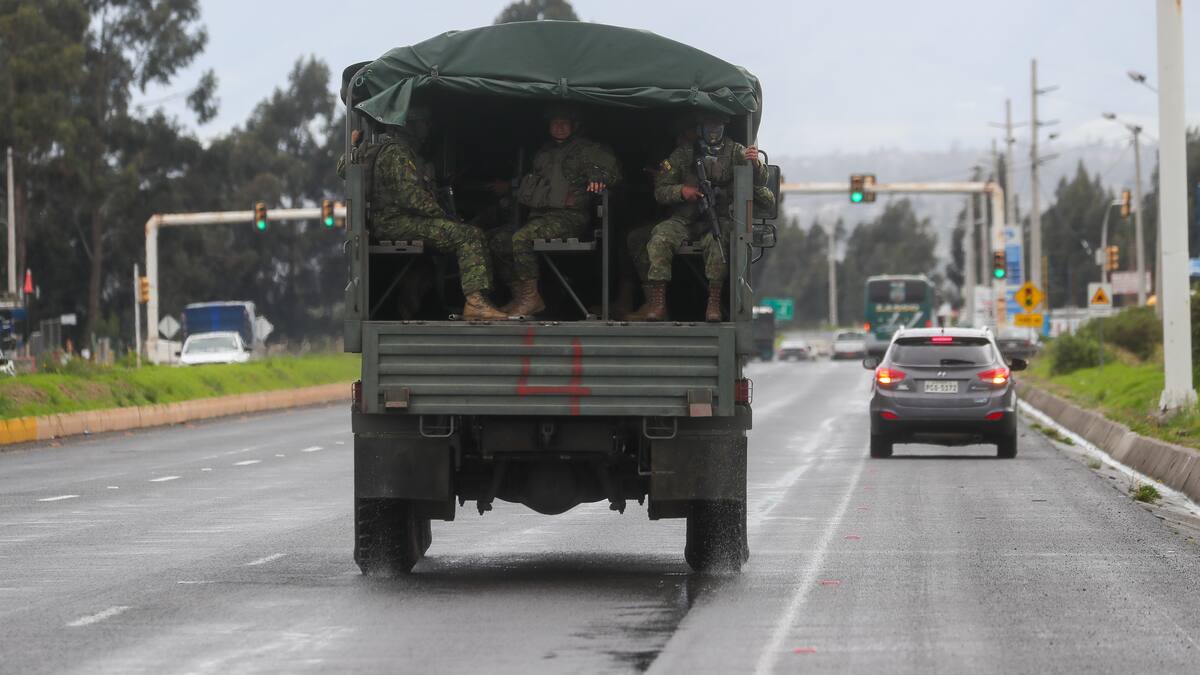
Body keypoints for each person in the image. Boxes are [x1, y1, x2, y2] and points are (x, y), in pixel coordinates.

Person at [340, 107, 507, 320]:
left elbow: (344, 167)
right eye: (423, 124)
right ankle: (476, 303)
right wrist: (441, 215)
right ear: (412, 126)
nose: (426, 130)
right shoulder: (398, 152)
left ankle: (478, 301)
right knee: (468, 236)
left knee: (467, 233)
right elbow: (409, 197)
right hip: (397, 222)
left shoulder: (385, 149)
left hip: (392, 221)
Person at [628, 113, 772, 322]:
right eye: (709, 126)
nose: (713, 131)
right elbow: (660, 191)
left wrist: (756, 164)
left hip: (717, 217)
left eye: (717, 126)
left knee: (717, 244)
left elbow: (760, 181)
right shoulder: (684, 154)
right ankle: (658, 304)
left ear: (724, 127)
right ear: (700, 128)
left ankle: (713, 303)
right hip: (685, 218)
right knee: (659, 238)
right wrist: (682, 191)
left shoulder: (736, 152)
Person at [489, 104, 622, 316]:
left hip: (570, 218)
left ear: (574, 126)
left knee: (521, 238)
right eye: (555, 123)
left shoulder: (588, 150)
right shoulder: (543, 153)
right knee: (498, 241)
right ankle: (521, 296)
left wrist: (599, 179)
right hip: (539, 218)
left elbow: (612, 174)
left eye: (564, 123)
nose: (559, 127)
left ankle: (531, 299)